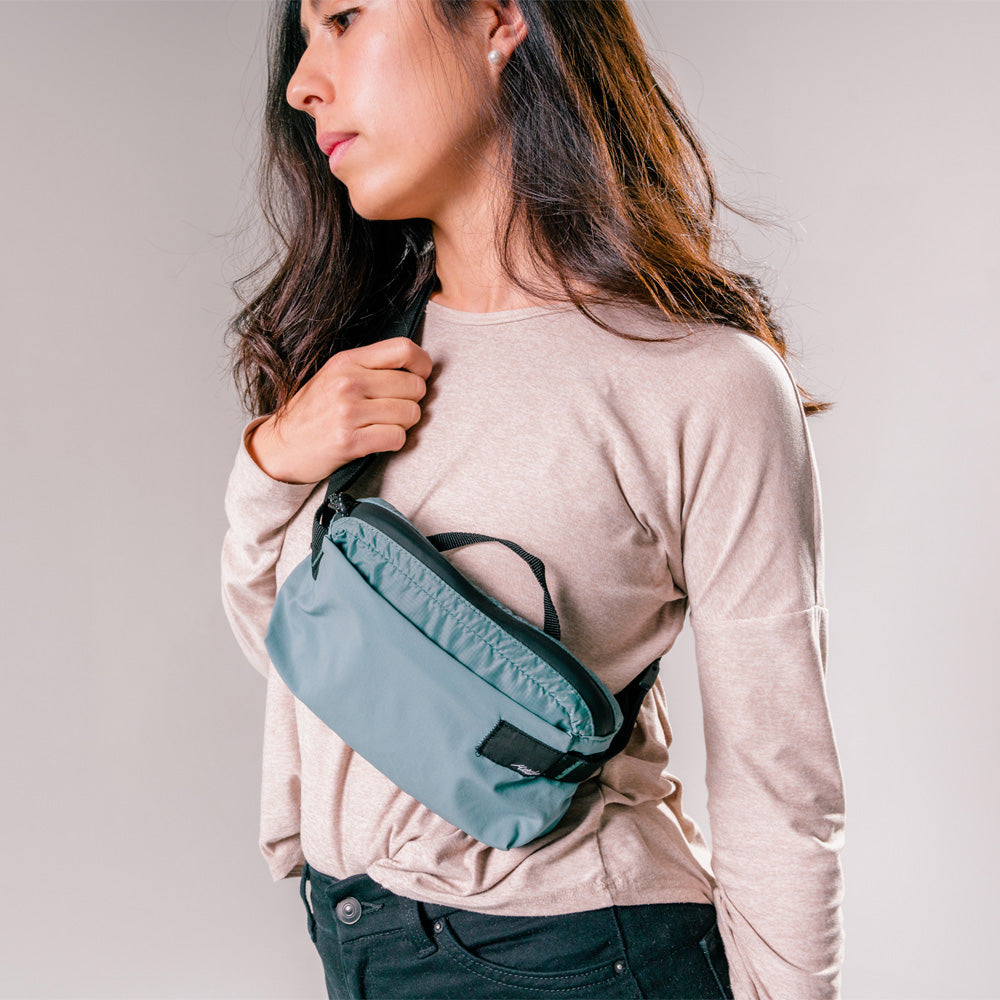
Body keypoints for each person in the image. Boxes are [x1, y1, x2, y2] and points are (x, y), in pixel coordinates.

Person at [220, 1, 846, 997]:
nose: (302, 82)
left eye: (342, 18)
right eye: (303, 41)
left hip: (578, 955)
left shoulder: (701, 382)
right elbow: (302, 663)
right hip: (362, 944)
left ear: (499, 19)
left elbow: (778, 780)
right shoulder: (362, 354)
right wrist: (272, 463)